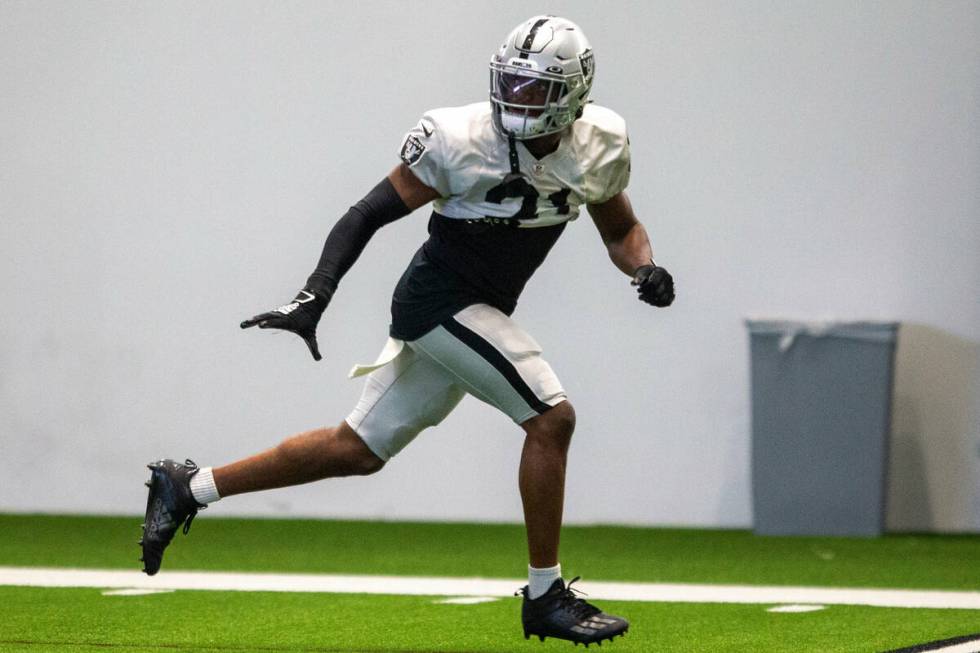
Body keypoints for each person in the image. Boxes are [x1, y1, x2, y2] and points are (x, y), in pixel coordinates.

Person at [140, 15, 674, 647]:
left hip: (480, 309)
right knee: (551, 418)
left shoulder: (601, 144)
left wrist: (643, 266)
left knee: (357, 450)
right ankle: (543, 595)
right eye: (513, 82)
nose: (520, 99)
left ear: (574, 96)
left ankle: (189, 486)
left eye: (538, 89)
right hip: (438, 301)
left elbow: (619, 230)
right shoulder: (458, 137)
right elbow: (367, 212)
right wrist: (315, 295)